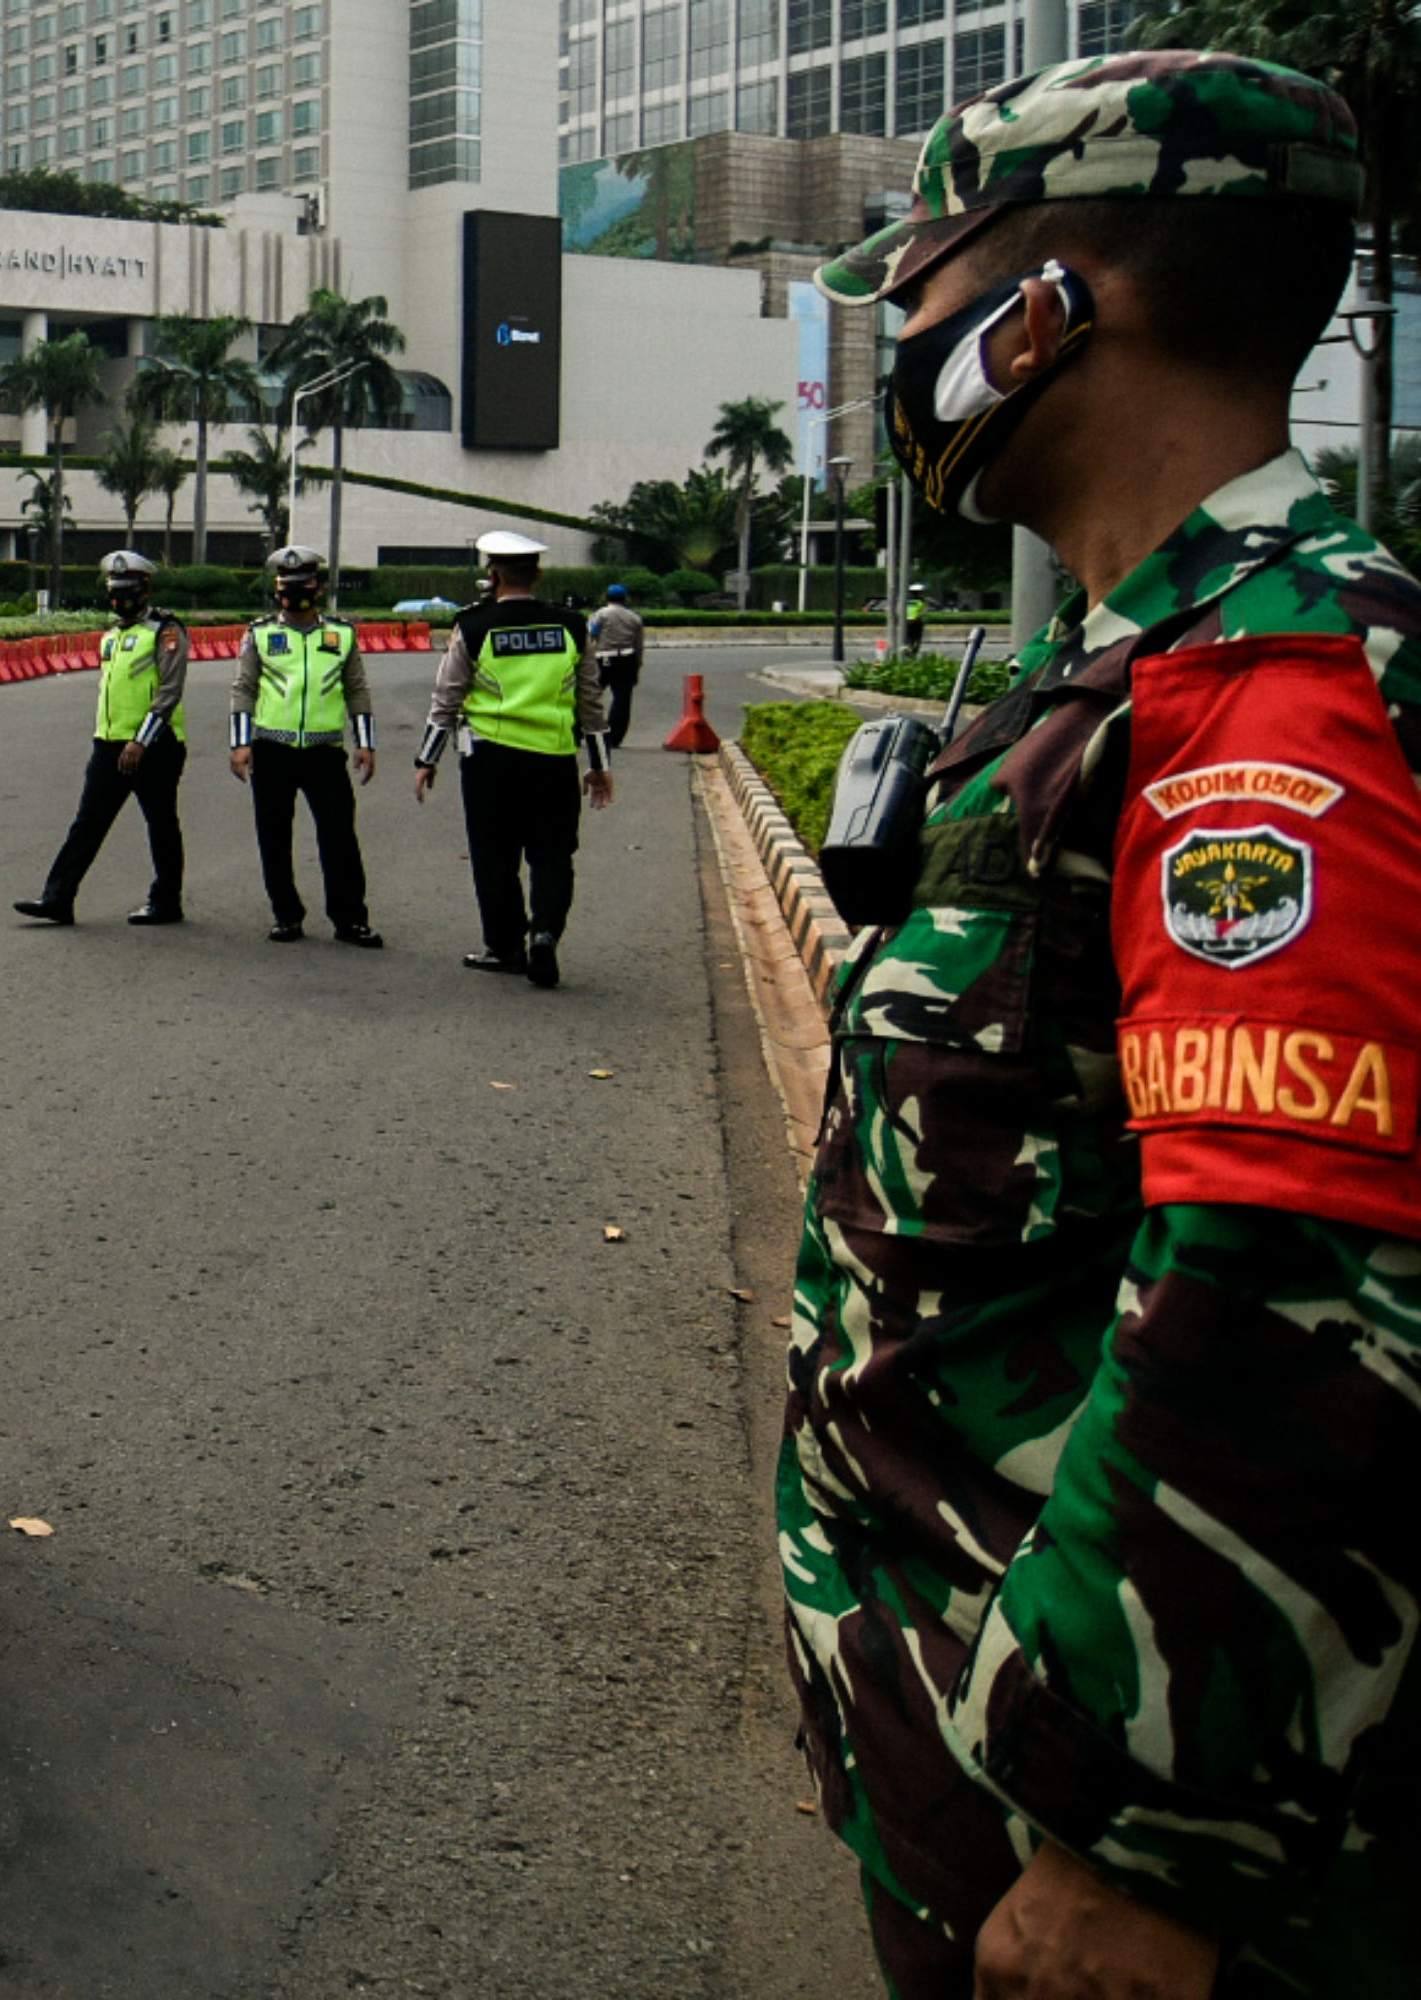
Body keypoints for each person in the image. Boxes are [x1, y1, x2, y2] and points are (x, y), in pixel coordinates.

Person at [779, 53, 1421, 1999]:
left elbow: (1292, 1298)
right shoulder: (1131, 667)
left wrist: (1132, 1841)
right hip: (973, 1742)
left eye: (928, 278)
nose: (903, 330)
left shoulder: (1269, 697)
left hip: (1110, 1860)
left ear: (1059, 299)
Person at [414, 530, 613, 988]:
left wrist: (427, 759)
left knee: (494, 858)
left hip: (490, 762)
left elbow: (447, 698)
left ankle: (505, 947)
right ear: (539, 574)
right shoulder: (571, 625)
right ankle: (544, 932)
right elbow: (591, 704)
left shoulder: (473, 625)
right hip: (554, 759)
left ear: (493, 574)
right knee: (553, 855)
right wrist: (599, 767)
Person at [13, 550, 188, 926]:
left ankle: (166, 901)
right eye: (114, 590)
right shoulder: (111, 637)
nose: (119, 598)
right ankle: (57, 898)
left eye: (128, 590)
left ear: (145, 591)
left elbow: (169, 692)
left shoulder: (166, 631)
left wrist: (140, 741)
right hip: (109, 745)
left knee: (160, 822)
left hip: (154, 746)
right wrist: (112, 739)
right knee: (88, 822)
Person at [228, 545, 379, 946]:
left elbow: (356, 689)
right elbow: (244, 689)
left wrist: (366, 743)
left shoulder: (341, 635)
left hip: (325, 752)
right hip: (271, 749)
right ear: (276, 591)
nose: (295, 594)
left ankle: (350, 919)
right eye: (287, 586)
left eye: (304, 585)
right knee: (274, 837)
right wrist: (240, 744)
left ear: (320, 587)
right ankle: (286, 915)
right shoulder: (260, 634)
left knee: (339, 837)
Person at [586, 580, 645, 752]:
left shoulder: (600, 615)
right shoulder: (634, 618)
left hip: (603, 659)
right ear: (625, 598)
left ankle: (581, 731)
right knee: (622, 700)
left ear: (606, 597)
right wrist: (637, 666)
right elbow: (639, 645)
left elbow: (591, 636)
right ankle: (614, 738)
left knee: (590, 696)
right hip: (626, 659)